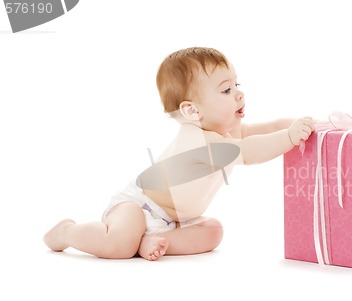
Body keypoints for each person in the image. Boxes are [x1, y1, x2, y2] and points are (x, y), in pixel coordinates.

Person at [43, 47, 314, 261]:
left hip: (174, 222)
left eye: (236, 84)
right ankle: (67, 232)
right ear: (192, 111)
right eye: (226, 90)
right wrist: (290, 137)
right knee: (118, 246)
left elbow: (262, 130)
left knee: (213, 232)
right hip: (139, 207)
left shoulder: (226, 133)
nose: (239, 94)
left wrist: (298, 125)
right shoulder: (200, 142)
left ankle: (155, 242)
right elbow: (251, 151)